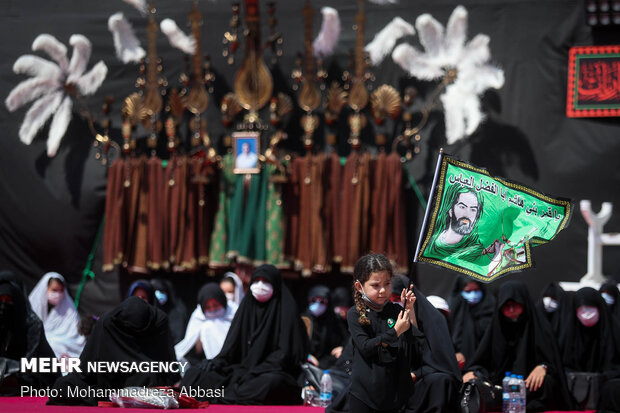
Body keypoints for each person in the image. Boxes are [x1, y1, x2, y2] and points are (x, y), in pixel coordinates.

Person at [180, 264, 308, 405]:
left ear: (275, 285)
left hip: (270, 372)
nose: (260, 286)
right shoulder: (246, 308)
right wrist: (216, 362)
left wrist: (255, 371)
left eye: (265, 282)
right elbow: (231, 349)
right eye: (256, 281)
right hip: (241, 371)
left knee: (271, 383)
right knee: (196, 374)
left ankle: (225, 395)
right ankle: (232, 395)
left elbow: (285, 355)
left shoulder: (286, 310)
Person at [462, 280, 574, 411]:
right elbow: (481, 360)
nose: (511, 310)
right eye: (506, 306)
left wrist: (543, 367)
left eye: (516, 305)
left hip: (529, 387)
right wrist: (472, 372)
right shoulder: (496, 329)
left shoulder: (539, 328)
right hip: (499, 388)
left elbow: (554, 363)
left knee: (548, 382)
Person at [48, 296, 178, 406]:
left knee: (149, 378)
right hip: (110, 379)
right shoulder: (109, 322)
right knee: (63, 387)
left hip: (145, 379)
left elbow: (166, 366)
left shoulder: (159, 321)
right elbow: (86, 369)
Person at [557, 287, 620, 411]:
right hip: (574, 383)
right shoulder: (569, 332)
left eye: (590, 309)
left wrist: (604, 377)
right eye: (581, 310)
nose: (586, 314)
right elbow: (561, 362)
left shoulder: (614, 331)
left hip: (606, 383)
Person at [0, 271, 60, 395]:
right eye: (1, 300)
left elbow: (43, 373)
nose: (4, 306)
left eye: (9, 300)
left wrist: (16, 377)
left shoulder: (31, 326)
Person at [175, 283, 237, 364]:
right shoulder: (198, 316)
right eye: (208, 307)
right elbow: (191, 344)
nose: (213, 309)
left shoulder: (234, 311)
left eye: (215, 305)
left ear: (222, 302)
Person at [28, 272, 85, 359]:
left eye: (61, 290)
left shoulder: (69, 309)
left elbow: (76, 337)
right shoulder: (32, 305)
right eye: (54, 290)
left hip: (60, 344)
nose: (57, 294)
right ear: (45, 288)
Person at [448, 275, 495, 369]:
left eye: (476, 290)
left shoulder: (490, 310)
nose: (473, 295)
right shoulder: (452, 313)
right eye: (468, 291)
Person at [427, 185, 484, 261]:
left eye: (473, 210)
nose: (467, 215)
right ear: (450, 210)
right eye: (462, 207)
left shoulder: (476, 251)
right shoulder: (433, 242)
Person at [303, 285, 348, 369]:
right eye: (313, 300)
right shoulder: (303, 321)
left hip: (328, 365)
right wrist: (307, 356)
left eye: (322, 301)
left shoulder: (334, 322)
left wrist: (343, 348)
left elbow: (346, 340)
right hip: (305, 364)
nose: (317, 304)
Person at [150, 278, 188, 345]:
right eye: (155, 291)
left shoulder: (177, 310)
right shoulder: (150, 310)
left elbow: (177, 337)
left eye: (162, 291)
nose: (158, 294)